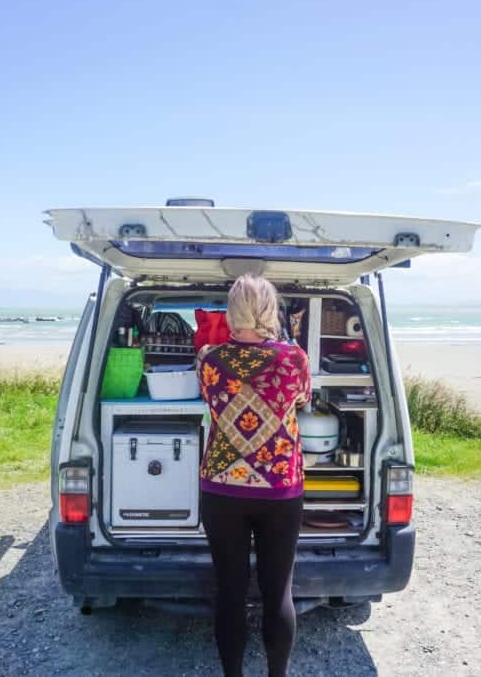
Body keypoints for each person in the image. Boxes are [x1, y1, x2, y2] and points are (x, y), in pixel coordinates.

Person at [196, 273, 311, 677]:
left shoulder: (208, 359)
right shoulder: (294, 359)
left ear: (231, 311)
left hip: (222, 486)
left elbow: (213, 399)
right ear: (270, 310)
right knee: (277, 590)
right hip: (279, 487)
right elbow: (301, 399)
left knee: (229, 590)